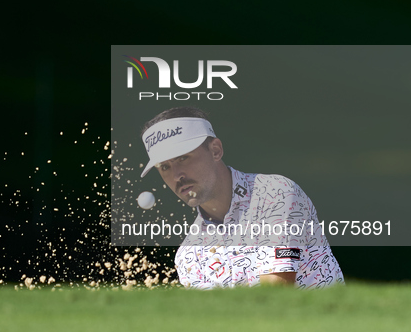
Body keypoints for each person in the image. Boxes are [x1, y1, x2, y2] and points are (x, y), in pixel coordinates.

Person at [140, 106, 344, 289]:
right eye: (164, 167)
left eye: (183, 157)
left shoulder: (275, 193)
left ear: (215, 150)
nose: (176, 175)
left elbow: (276, 295)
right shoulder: (189, 254)